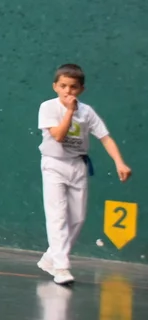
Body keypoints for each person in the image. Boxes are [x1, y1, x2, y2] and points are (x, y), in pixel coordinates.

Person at [36, 63, 131, 285]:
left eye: (73, 87)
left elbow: (105, 138)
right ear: (55, 86)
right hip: (53, 164)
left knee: (77, 218)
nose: (68, 91)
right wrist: (70, 111)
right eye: (63, 86)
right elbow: (58, 136)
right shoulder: (48, 107)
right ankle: (61, 267)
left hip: (78, 165)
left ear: (81, 89)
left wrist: (119, 162)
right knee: (57, 216)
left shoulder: (87, 112)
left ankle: (50, 258)